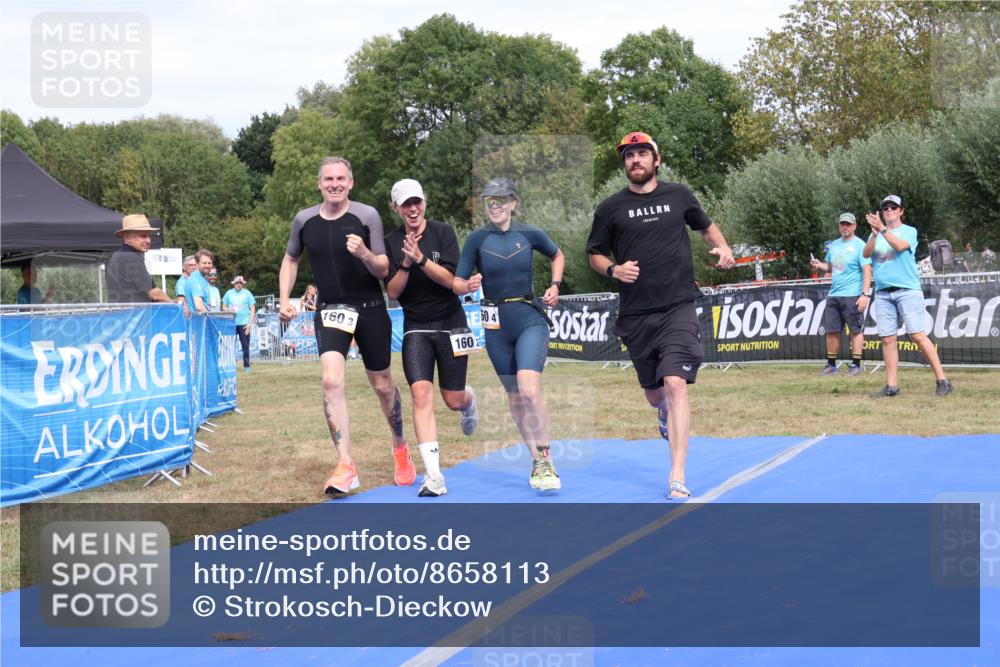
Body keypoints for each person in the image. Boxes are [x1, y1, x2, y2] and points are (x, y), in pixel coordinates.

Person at [587, 131, 735, 499]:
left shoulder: (679, 195)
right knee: (656, 396)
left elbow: (705, 226)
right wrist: (614, 271)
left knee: (675, 384)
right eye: (628, 156)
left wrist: (723, 248)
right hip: (636, 315)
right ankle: (662, 413)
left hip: (678, 306)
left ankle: (677, 475)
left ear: (657, 159)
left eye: (641, 154)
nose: (634, 160)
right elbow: (594, 254)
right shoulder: (610, 209)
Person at [278, 156, 410, 496]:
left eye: (341, 179)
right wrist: (284, 300)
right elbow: (290, 258)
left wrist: (365, 252)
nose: (334, 184)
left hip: (369, 308)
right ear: (319, 184)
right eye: (328, 179)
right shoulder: (304, 220)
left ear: (350, 183)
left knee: (382, 386)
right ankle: (345, 465)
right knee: (331, 380)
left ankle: (400, 447)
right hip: (330, 309)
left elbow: (383, 269)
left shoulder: (366, 216)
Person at [453, 177, 564, 491]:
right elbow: (456, 283)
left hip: (528, 318)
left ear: (514, 203)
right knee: (515, 397)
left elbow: (557, 255)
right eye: (490, 199)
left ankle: (546, 458)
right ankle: (537, 461)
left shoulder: (529, 233)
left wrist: (555, 285)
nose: (495, 205)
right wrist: (468, 285)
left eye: (501, 199)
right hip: (495, 327)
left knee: (529, 389)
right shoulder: (476, 239)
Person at [384, 178, 479, 497]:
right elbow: (393, 292)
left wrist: (422, 259)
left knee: (452, 400)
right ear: (395, 208)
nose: (412, 208)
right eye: (405, 203)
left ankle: (469, 401)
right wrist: (407, 264)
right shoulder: (391, 241)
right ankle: (434, 476)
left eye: (417, 202)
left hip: (451, 322)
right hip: (416, 327)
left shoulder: (443, 232)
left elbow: (452, 281)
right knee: (421, 396)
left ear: (425, 202)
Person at [863, 195, 953, 398]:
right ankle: (892, 386)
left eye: (893, 207)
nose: (889, 210)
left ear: (901, 211)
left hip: (907, 290)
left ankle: (943, 380)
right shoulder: (876, 233)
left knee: (917, 335)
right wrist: (875, 234)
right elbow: (867, 253)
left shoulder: (909, 231)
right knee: (887, 339)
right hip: (884, 292)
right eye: (885, 208)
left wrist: (883, 230)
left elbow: (901, 246)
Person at [809, 212, 872, 377]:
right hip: (834, 294)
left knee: (856, 331)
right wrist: (818, 265)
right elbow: (832, 267)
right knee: (831, 331)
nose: (845, 227)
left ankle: (856, 365)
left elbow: (867, 270)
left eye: (848, 224)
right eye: (842, 224)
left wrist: (865, 294)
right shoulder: (834, 245)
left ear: (854, 226)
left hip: (853, 295)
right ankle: (831, 365)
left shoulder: (860, 245)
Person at [106, 214, 174, 304]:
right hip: (134, 315)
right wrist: (175, 305)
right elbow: (154, 293)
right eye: (143, 236)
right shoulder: (131, 257)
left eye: (149, 236)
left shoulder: (117, 255)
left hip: (122, 314)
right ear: (127, 238)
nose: (148, 241)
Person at [223, 275, 256, 372]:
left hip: (244, 323)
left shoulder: (247, 293)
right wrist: (229, 309)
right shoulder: (228, 293)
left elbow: (253, 308)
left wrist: (250, 323)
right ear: (234, 283)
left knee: (245, 345)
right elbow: (223, 307)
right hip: (231, 323)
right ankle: (230, 364)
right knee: (229, 345)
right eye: (237, 283)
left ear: (243, 284)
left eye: (241, 283)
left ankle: (246, 365)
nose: (239, 285)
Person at [184, 249, 214, 315]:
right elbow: (199, 307)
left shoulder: (201, 278)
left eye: (209, 263)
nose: (207, 265)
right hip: (200, 323)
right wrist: (212, 320)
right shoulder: (196, 280)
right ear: (197, 264)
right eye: (204, 263)